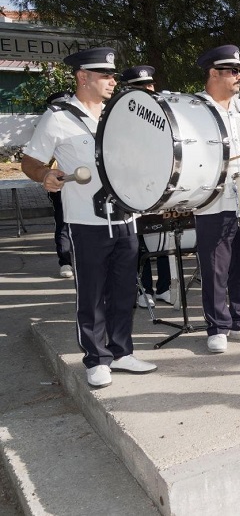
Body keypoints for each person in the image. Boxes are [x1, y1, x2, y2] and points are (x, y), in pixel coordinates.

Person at [21, 47, 157, 388]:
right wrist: (44, 176)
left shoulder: (120, 114)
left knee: (124, 290)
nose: (113, 81)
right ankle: (97, 358)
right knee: (93, 294)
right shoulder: (58, 117)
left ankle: (122, 351)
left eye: (112, 75)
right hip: (86, 222)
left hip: (125, 218)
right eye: (106, 76)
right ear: (84, 78)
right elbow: (30, 161)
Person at [193, 45, 240, 353]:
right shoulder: (196, 109)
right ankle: (217, 326)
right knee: (215, 268)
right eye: (233, 71)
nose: (239, 76)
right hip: (213, 200)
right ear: (214, 73)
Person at [120, 65, 174, 308]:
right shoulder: (120, 119)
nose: (148, 90)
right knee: (140, 243)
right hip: (133, 187)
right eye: (141, 87)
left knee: (162, 240)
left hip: (159, 186)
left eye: (150, 85)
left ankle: (163, 288)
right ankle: (144, 290)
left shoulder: (161, 115)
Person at [43, 91, 74, 279]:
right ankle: (65, 261)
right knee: (63, 222)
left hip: (83, 182)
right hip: (60, 182)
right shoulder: (50, 125)